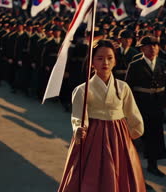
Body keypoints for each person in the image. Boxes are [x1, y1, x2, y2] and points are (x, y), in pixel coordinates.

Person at [58, 40, 146, 192]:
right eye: (99, 58)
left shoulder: (122, 87)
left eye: (110, 58)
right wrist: (80, 129)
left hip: (118, 136)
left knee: (120, 175)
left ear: (115, 61)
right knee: (91, 177)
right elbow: (79, 117)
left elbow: (133, 114)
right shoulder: (82, 90)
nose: (105, 62)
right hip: (93, 136)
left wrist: (131, 133)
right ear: (92, 62)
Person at [125, 36, 166, 177]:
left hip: (157, 105)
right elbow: (128, 87)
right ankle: (133, 167)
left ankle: (153, 165)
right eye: (148, 46)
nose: (152, 48)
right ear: (142, 48)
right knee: (138, 137)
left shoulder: (164, 64)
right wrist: (128, 107)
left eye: (155, 45)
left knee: (155, 136)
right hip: (140, 104)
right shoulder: (135, 65)